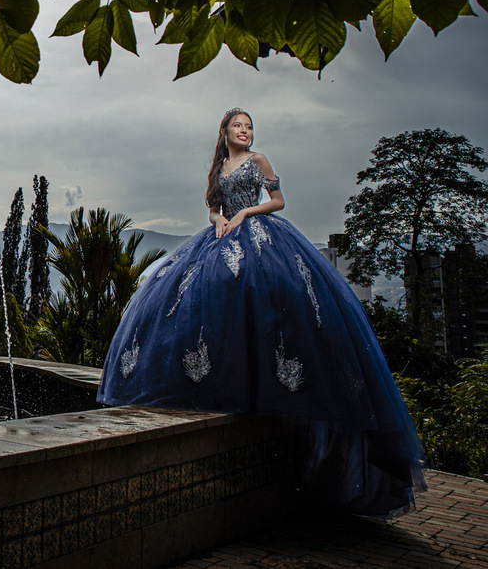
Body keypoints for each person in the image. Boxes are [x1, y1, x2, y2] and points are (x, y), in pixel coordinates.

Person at [97, 108, 426, 517]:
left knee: (264, 300)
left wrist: (244, 214)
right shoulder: (219, 167)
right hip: (220, 236)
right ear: (225, 132)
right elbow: (213, 207)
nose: (245, 132)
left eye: (249, 127)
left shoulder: (258, 161)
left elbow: (278, 201)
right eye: (239, 126)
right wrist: (218, 220)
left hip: (259, 234)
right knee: (198, 306)